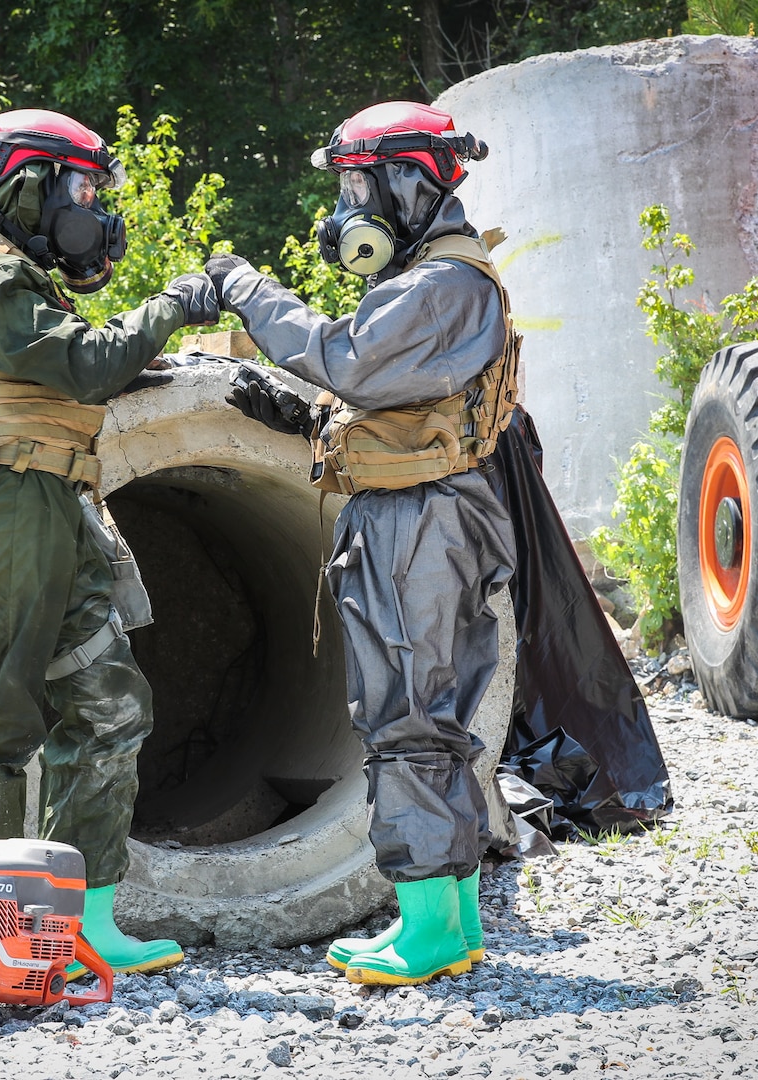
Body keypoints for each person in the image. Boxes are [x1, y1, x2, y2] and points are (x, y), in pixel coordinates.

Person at [0, 108, 218, 974]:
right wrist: (174, 306)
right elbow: (81, 363)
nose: (91, 207)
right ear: (28, 182)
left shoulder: (16, 275)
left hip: (55, 501)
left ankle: (78, 930)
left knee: (110, 705)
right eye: (81, 187)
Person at [207, 100, 518, 986]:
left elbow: (347, 359)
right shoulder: (442, 276)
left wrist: (245, 289)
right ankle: (452, 921)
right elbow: (396, 399)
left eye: (358, 184)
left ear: (411, 182)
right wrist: (314, 422)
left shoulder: (441, 285)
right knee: (437, 712)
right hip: (431, 506)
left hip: (418, 519)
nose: (348, 208)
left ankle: (423, 924)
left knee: (405, 710)